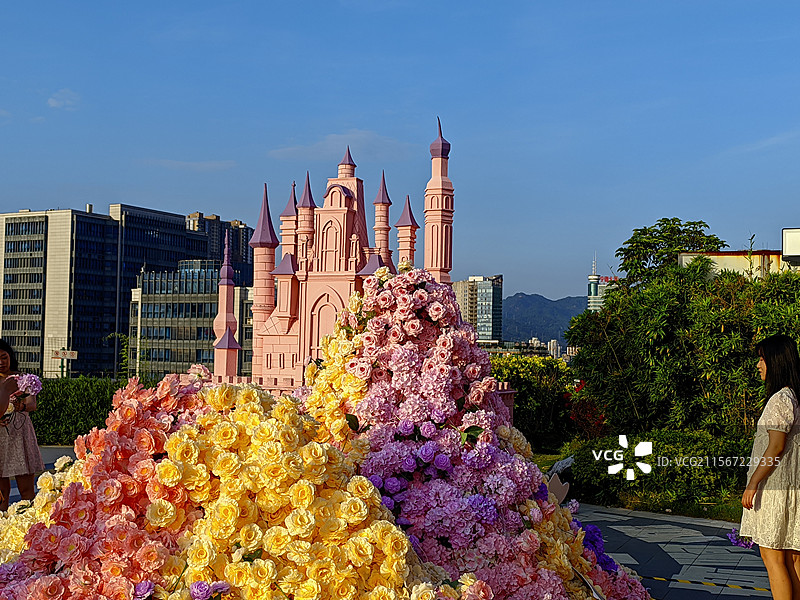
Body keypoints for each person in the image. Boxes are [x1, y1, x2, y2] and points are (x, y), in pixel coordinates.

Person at [740, 334, 800, 600]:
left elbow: (775, 447)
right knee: (792, 558)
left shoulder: (780, 399)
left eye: (762, 358)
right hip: (793, 488)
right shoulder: (795, 396)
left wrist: (753, 482)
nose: (758, 365)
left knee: (773, 555)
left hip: (776, 489)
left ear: (776, 361)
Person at [0, 339, 45, 511]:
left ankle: (28, 523)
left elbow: (32, 404)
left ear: (10, 357)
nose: (1, 362)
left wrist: (21, 406)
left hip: (20, 435)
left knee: (26, 490)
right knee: (1, 492)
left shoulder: (23, 379)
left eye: (4, 357)